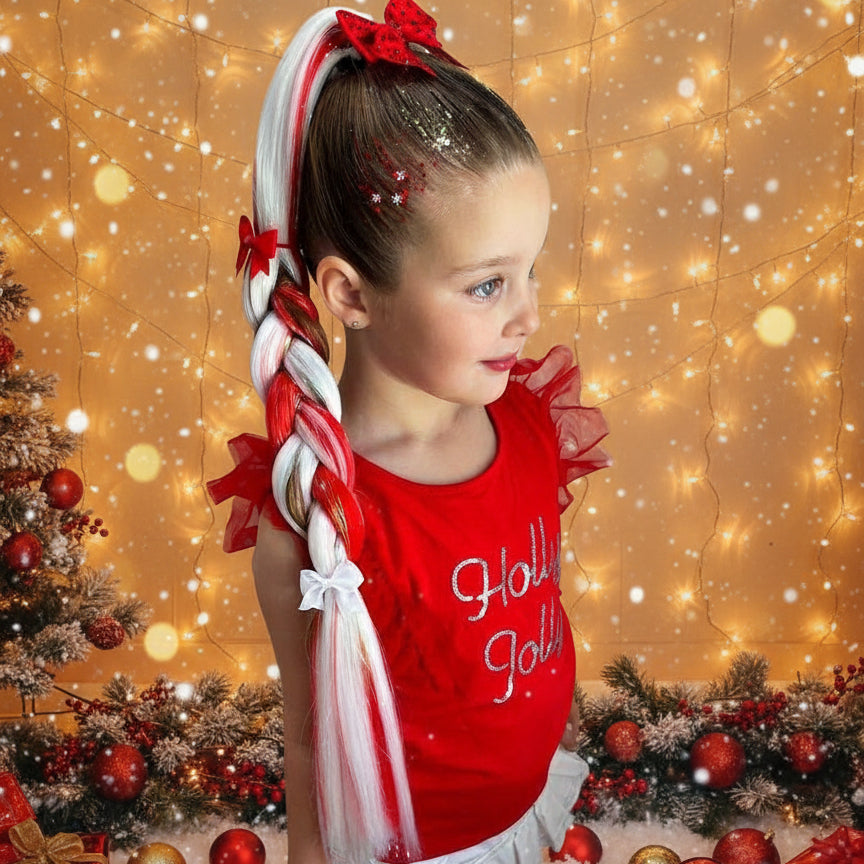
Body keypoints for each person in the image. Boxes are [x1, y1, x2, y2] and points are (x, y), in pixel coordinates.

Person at [208, 2, 611, 862]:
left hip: (527, 806)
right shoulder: (320, 513)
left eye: (528, 270)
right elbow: (313, 741)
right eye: (484, 286)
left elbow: (534, 602)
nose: (528, 315)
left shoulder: (530, 423)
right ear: (351, 296)